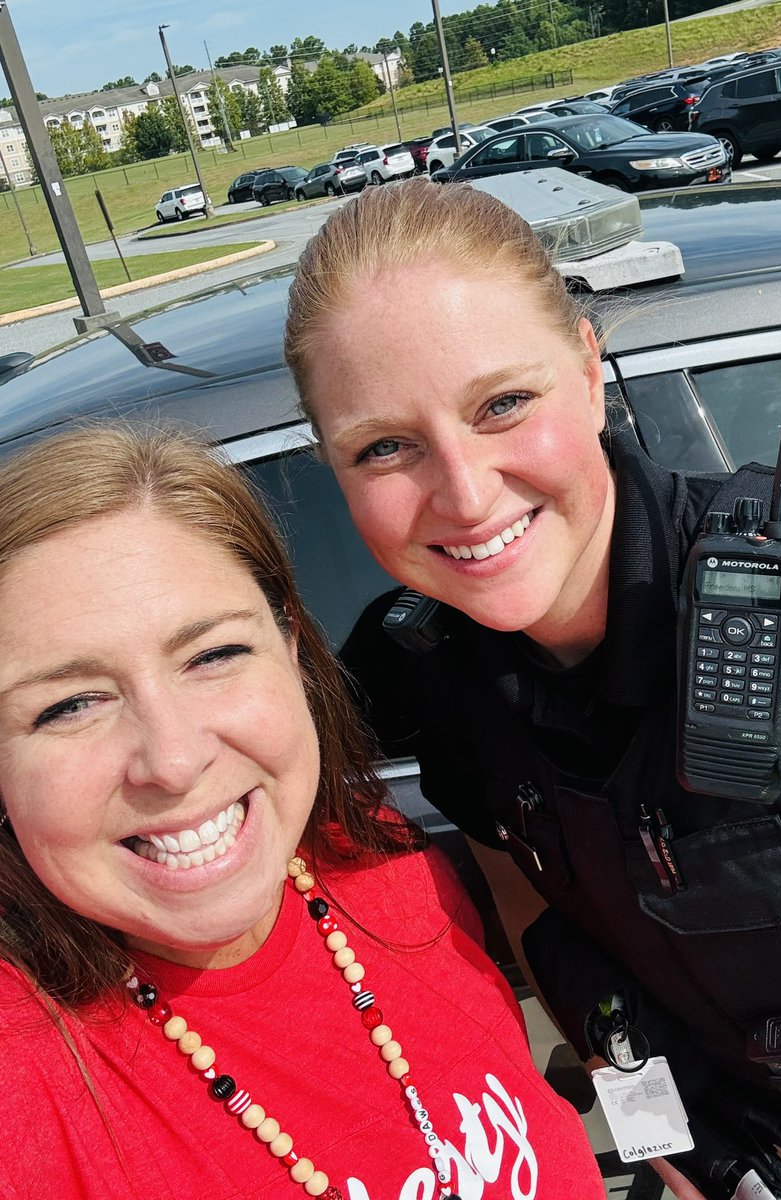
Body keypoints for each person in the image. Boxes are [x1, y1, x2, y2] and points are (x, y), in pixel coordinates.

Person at [283, 177, 781, 1200]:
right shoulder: (430, 673)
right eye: (385, 446)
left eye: (504, 404)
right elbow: (539, 914)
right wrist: (668, 1129)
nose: (467, 494)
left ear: (587, 367)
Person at [0, 424, 606, 1200]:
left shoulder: (387, 871)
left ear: (290, 646)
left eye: (212, 656)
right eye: (71, 705)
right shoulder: (30, 1071)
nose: (175, 762)